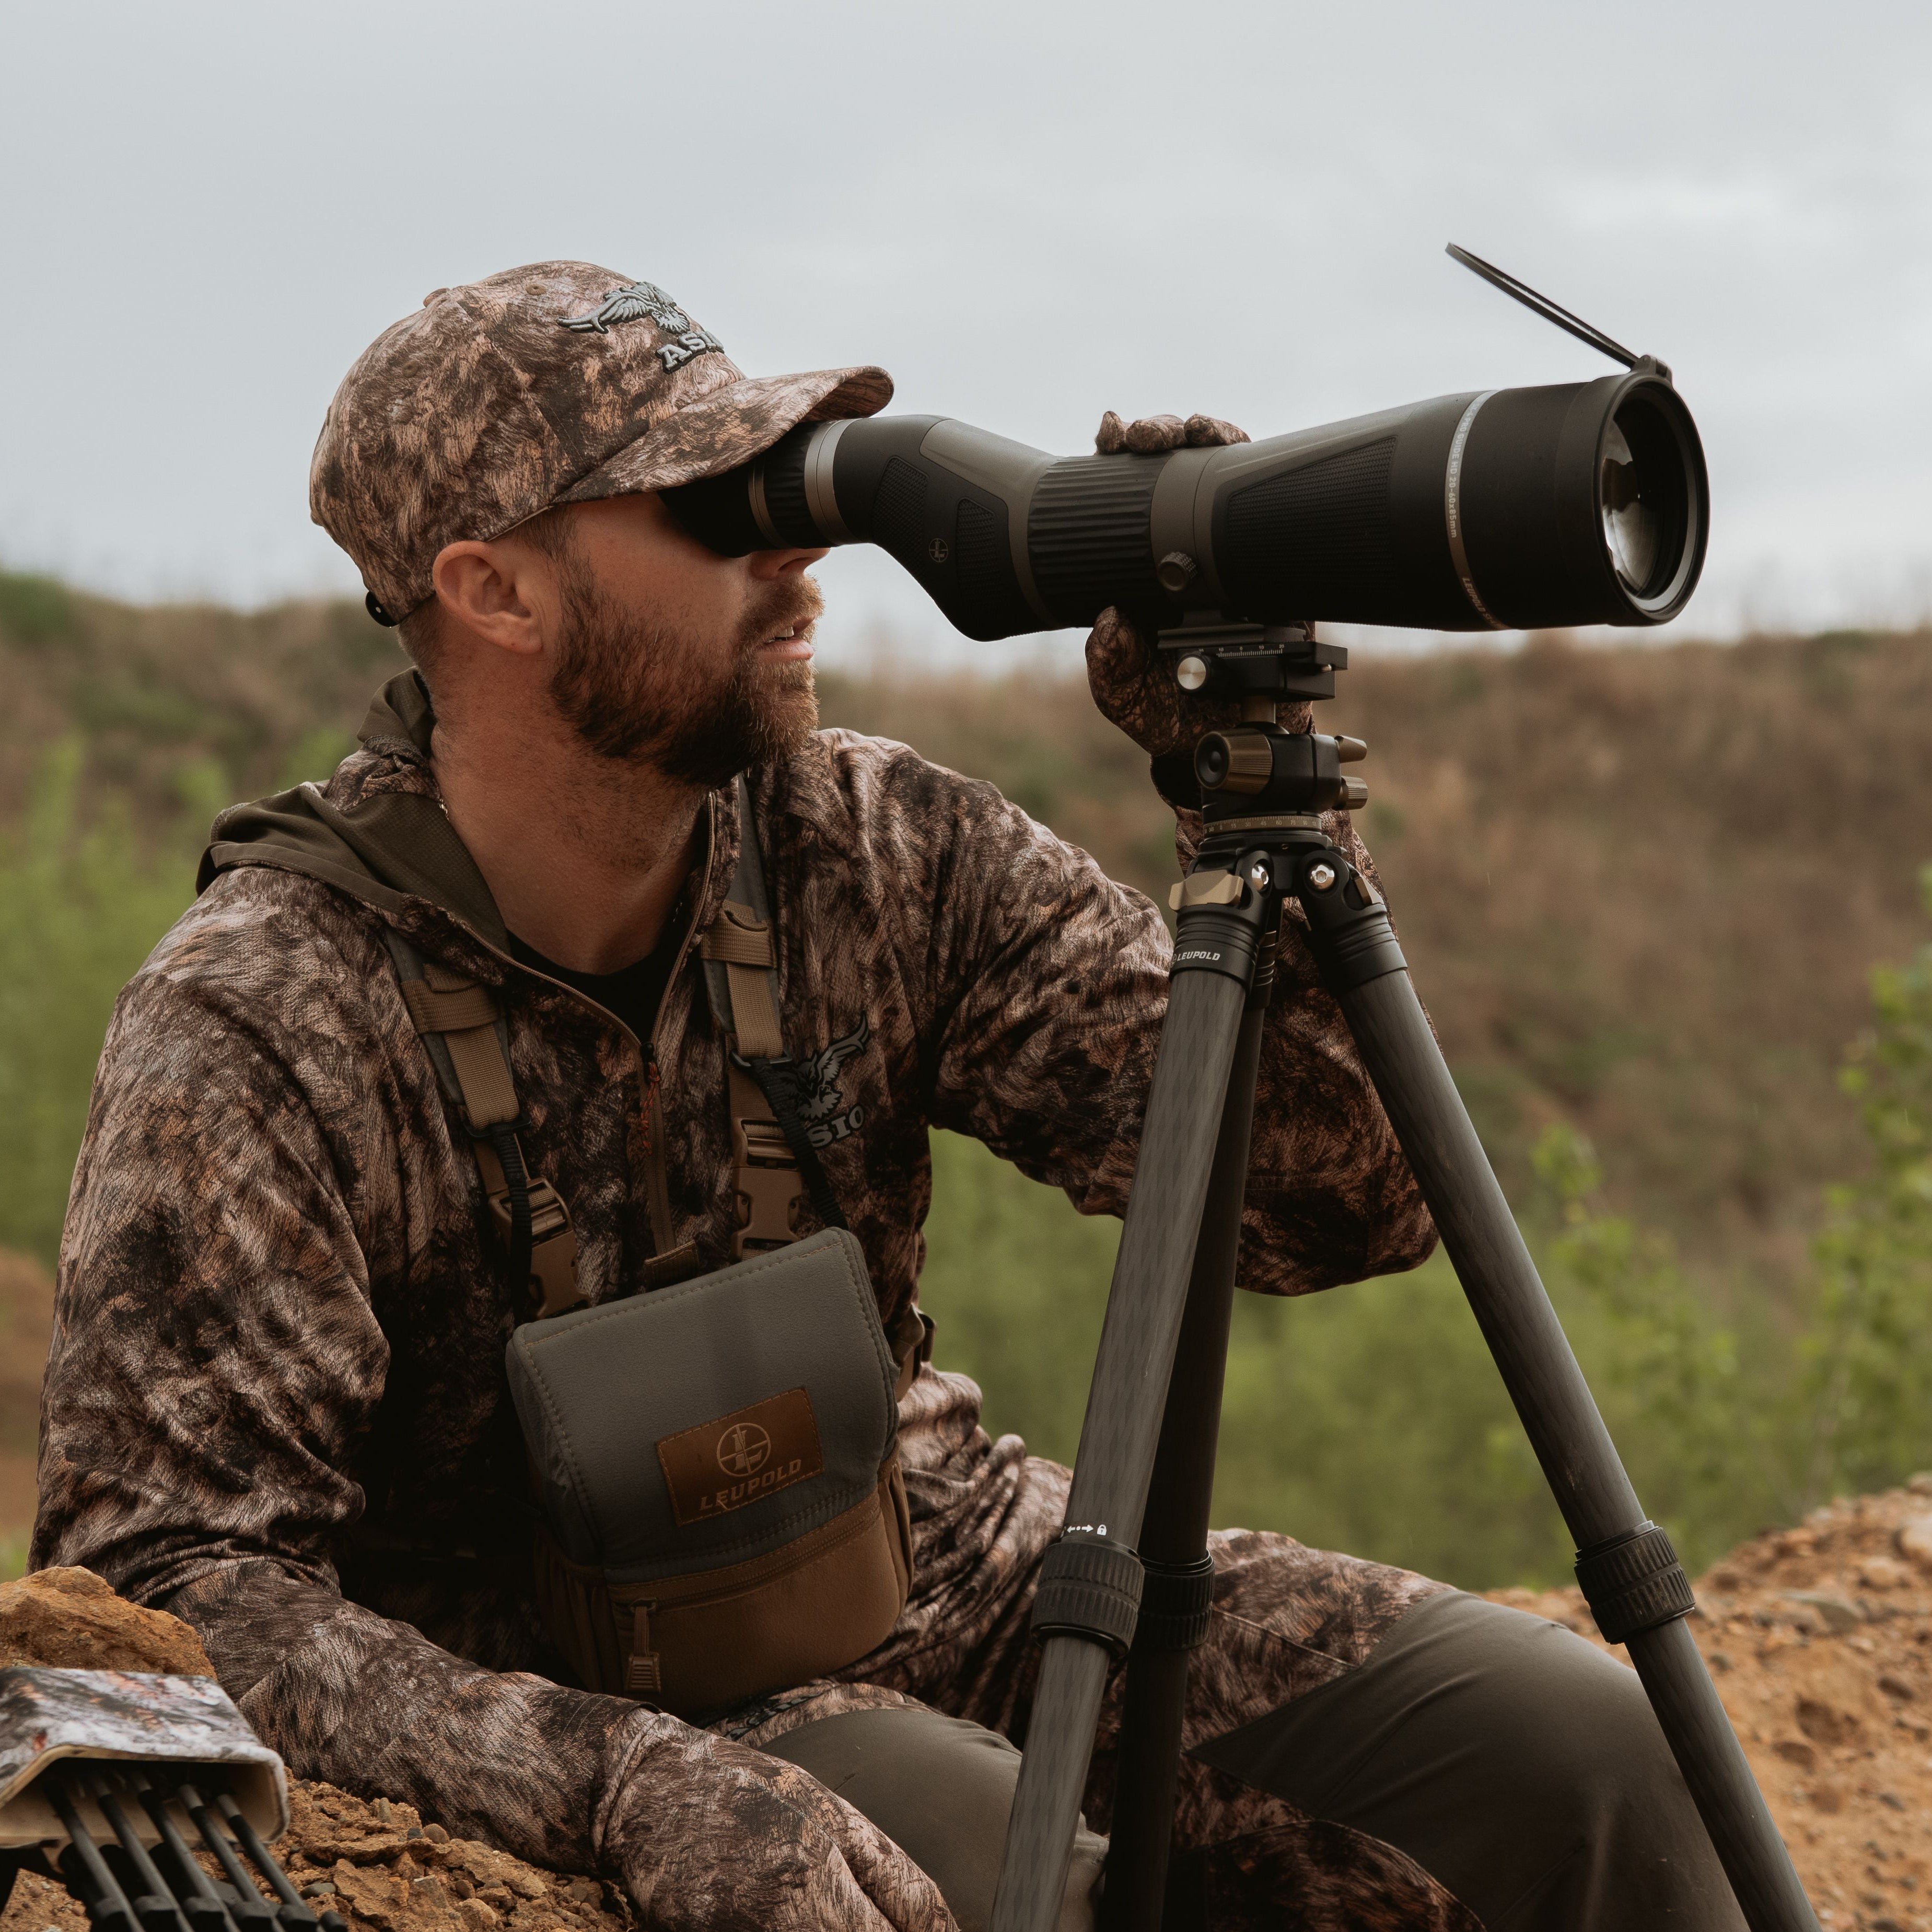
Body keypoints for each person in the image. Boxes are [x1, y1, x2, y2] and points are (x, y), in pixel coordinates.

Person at [34, 262, 1743, 1932]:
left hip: (952, 1571)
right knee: (1015, 1878)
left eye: (786, 485)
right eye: (718, 505)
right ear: (495, 591)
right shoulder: (265, 1010)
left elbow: (1328, 1203)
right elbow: (161, 1582)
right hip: (572, 1684)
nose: (797, 551)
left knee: (1599, 1760)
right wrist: (607, 1779)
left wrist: (1238, 784)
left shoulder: (874, 847)